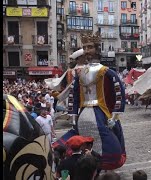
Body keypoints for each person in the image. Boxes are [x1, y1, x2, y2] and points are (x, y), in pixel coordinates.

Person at [62, 31, 126, 170]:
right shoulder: (80, 74)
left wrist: (115, 116)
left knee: (111, 139)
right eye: (84, 48)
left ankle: (104, 163)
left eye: (89, 47)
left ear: (97, 48)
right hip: (84, 113)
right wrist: (73, 115)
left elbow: (119, 92)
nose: (86, 51)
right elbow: (73, 94)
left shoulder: (107, 71)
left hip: (101, 112)